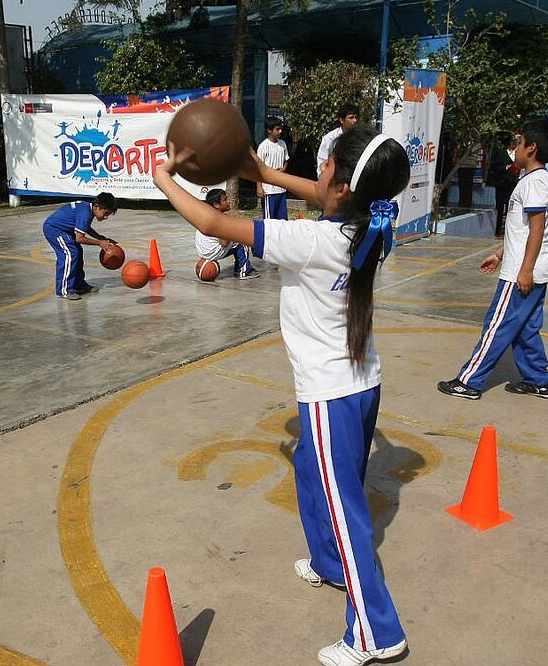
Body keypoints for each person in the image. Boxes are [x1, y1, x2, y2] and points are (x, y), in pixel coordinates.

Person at [154, 126, 412, 666]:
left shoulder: (314, 242)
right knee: (307, 469)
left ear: (341, 185)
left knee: (347, 512)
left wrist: (164, 176)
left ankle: (375, 632)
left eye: (323, 166)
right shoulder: (375, 224)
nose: (316, 173)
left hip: (329, 394)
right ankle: (328, 562)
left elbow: (210, 221)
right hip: (362, 383)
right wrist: (257, 168)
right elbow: (308, 188)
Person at [437, 118, 548, 401]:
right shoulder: (538, 180)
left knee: (496, 326)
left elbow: (536, 229)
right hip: (534, 266)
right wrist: (498, 253)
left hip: (523, 271)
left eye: (519, 144)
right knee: (526, 329)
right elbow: (522, 231)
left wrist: (525, 270)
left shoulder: (533, 183)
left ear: (531, 148)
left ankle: (469, 381)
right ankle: (538, 380)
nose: (515, 149)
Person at [42, 193, 118, 300]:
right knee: (70, 254)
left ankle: (78, 284)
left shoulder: (88, 210)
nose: (105, 217)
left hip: (65, 230)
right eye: (105, 213)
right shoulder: (85, 213)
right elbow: (79, 238)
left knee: (77, 251)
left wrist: (101, 238)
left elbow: (85, 227)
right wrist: (100, 243)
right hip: (54, 229)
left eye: (108, 215)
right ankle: (64, 290)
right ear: (97, 206)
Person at [195, 188, 260, 279]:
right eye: (225, 200)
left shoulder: (207, 214)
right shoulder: (219, 219)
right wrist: (232, 228)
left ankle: (240, 267)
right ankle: (244, 271)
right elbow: (224, 243)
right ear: (216, 205)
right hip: (212, 252)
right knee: (241, 241)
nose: (228, 201)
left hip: (203, 252)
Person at [257, 116, 291, 219]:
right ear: (269, 130)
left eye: (281, 129)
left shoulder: (282, 144)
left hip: (281, 188)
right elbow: (258, 168)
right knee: (269, 221)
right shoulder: (263, 146)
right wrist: (259, 187)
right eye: (277, 129)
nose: (280, 131)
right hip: (269, 190)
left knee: (282, 220)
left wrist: (284, 168)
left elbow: (286, 160)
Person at [486, 132, 519, 236]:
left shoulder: (518, 154)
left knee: (511, 208)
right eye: (512, 142)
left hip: (512, 185)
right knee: (500, 207)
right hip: (501, 185)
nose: (514, 144)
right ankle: (497, 229)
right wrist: (506, 167)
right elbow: (495, 167)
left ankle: (508, 230)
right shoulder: (501, 153)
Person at [317, 104, 360, 176]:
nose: (355, 120)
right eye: (351, 118)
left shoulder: (361, 137)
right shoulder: (330, 138)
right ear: (341, 120)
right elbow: (322, 160)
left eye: (356, 117)